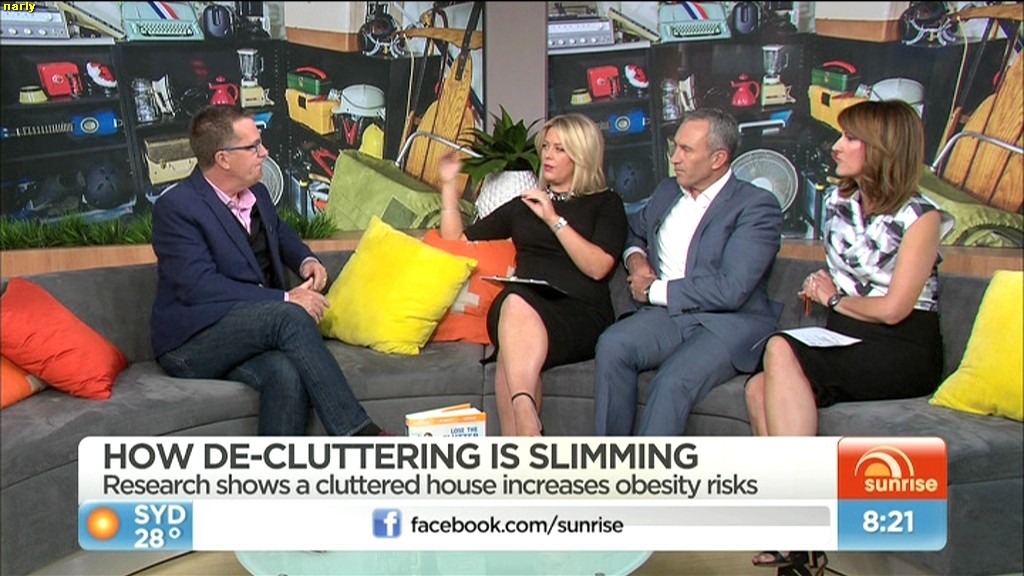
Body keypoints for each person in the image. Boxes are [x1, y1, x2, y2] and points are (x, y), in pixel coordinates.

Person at [745, 100, 953, 575]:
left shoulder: (921, 217)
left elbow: (895, 309)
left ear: (881, 148)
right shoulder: (839, 205)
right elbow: (848, 281)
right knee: (756, 388)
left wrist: (834, 299)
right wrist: (822, 286)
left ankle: (798, 529)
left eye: (850, 138)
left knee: (779, 346)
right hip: (846, 338)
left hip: (901, 348)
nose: (836, 146)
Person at [151, 105, 387, 437]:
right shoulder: (177, 208)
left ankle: (277, 470)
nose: (265, 152)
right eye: (254, 147)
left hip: (247, 335)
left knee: (284, 371)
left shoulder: (258, 193)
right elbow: (199, 287)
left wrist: (306, 261)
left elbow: (282, 234)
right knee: (289, 316)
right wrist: (286, 299)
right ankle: (360, 436)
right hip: (192, 344)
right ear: (223, 159)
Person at [594, 108, 783, 436]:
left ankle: (650, 470)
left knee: (672, 381)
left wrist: (653, 290)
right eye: (675, 147)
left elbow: (732, 288)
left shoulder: (755, 205)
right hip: (667, 317)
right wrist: (637, 261)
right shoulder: (667, 191)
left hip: (726, 322)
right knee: (613, 344)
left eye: (686, 150)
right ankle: (611, 462)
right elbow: (635, 232)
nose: (675, 158)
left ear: (718, 159)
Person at [438, 113, 628, 436]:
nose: (548, 155)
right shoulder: (523, 205)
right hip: (522, 307)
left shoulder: (606, 204)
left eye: (559, 149)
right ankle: (527, 418)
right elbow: (457, 240)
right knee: (514, 301)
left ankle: (518, 441)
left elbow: (597, 267)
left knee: (509, 356)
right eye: (546, 147)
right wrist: (448, 185)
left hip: (578, 312)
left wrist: (553, 219)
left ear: (582, 156)